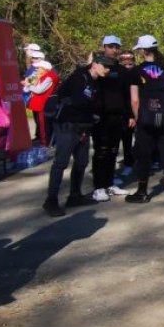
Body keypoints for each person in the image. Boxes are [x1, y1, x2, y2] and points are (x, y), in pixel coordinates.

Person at [43, 54, 114, 217]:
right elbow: (78, 102)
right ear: (95, 64)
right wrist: (92, 113)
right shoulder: (79, 77)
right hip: (67, 125)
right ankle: (51, 200)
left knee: (82, 161)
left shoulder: (95, 81)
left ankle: (75, 195)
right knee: (61, 162)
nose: (108, 70)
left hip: (82, 126)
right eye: (105, 66)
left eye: (110, 67)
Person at [124, 35, 164, 206]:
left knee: (144, 155)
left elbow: (134, 100)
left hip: (145, 119)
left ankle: (142, 192)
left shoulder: (136, 72)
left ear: (142, 51)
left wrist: (138, 117)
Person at [91, 35, 133, 201]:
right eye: (110, 46)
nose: (113, 50)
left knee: (113, 151)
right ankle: (98, 187)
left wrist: (130, 114)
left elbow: (128, 94)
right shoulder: (95, 67)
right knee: (100, 152)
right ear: (104, 47)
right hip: (100, 117)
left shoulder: (122, 71)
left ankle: (109, 183)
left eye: (116, 46)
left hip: (118, 116)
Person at [24, 60, 59, 146]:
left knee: (44, 125)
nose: (37, 69)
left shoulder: (49, 77)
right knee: (39, 123)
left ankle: (45, 142)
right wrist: (29, 83)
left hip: (43, 104)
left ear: (45, 69)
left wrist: (29, 85)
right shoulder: (36, 75)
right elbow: (25, 89)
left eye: (39, 68)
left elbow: (39, 90)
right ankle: (41, 140)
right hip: (36, 103)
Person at [116, 50, 136, 180]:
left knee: (132, 139)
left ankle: (131, 162)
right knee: (121, 139)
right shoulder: (116, 75)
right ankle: (126, 163)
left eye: (130, 64)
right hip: (121, 111)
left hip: (135, 111)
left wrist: (133, 115)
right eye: (125, 65)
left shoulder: (137, 74)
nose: (128, 67)